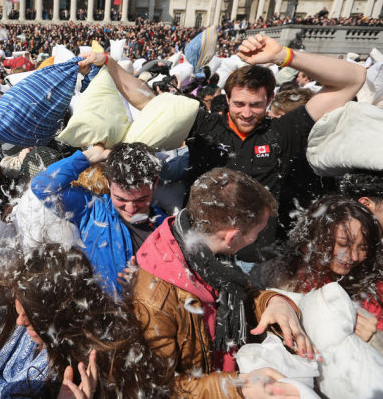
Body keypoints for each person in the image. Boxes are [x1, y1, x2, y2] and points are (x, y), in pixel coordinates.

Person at [80, 33, 367, 264]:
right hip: (196, 254)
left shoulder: (282, 132)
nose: (246, 113)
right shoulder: (206, 125)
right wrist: (109, 62)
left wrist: (284, 56)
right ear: (227, 99)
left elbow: (353, 79)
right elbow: (148, 101)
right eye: (238, 103)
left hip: (257, 258)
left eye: (256, 105)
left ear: (269, 102)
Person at [131, 168, 318, 399]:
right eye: (256, 233)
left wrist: (271, 302)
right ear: (231, 237)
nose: (256, 239)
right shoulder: (154, 300)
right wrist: (237, 390)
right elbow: (156, 390)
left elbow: (238, 293)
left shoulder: (210, 256)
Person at [0, 242, 166, 399]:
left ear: (63, 315)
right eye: (19, 306)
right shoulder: (25, 335)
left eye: (31, 314)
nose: (19, 322)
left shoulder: (94, 376)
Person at [31, 142, 167, 294]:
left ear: (155, 183)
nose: (131, 209)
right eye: (120, 199)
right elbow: (42, 186)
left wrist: (147, 285)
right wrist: (90, 156)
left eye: (141, 199)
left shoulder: (169, 231)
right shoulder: (92, 210)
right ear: (108, 183)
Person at [251, 196, 383, 351]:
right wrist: (269, 301)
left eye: (363, 248)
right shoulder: (272, 277)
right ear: (315, 237)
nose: (353, 256)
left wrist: (374, 340)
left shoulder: (372, 291)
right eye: (342, 244)